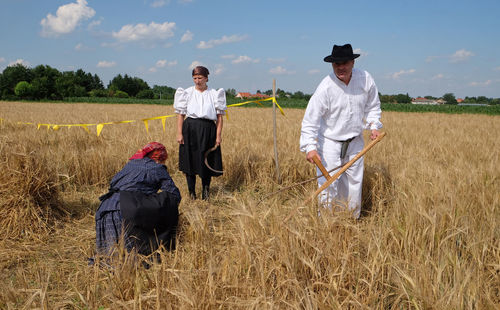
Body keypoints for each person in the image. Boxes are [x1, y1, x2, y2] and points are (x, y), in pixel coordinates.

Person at [300, 43, 382, 219]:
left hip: (355, 142)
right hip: (329, 143)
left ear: (353, 62)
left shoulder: (365, 79)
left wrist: (374, 126)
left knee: (354, 183)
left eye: (344, 63)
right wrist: (310, 147)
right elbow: (310, 120)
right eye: (336, 64)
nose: (341, 67)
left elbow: (373, 105)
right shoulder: (325, 87)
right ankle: (327, 223)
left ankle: (351, 221)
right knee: (328, 184)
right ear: (332, 65)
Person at [95, 142, 181, 256]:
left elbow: (113, 184)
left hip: (105, 207)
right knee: (130, 258)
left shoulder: (131, 164)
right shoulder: (158, 168)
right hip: (128, 208)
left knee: (110, 255)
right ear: (160, 158)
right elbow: (174, 195)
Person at [174, 66, 226, 200]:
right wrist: (179, 133)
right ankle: (191, 194)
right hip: (190, 129)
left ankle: (206, 193)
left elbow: (220, 117)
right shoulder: (186, 93)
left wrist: (218, 136)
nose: (197, 81)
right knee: (189, 161)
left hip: (208, 129)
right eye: (195, 78)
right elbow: (181, 115)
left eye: (200, 78)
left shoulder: (214, 94)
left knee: (206, 161)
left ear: (207, 78)